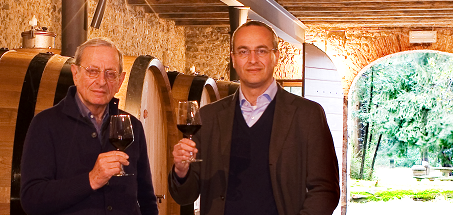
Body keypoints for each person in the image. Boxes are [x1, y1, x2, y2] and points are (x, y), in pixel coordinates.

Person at [168, 21, 340, 215]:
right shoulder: (209, 117)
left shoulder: (307, 115)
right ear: (233, 59)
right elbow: (185, 196)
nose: (252, 60)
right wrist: (181, 172)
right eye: (243, 51)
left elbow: (326, 190)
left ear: (276, 56)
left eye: (261, 51)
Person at [20, 38, 158, 215]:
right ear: (75, 74)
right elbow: (32, 199)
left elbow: (146, 199)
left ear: (120, 80)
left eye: (110, 73)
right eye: (92, 71)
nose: (101, 81)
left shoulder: (132, 126)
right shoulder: (46, 124)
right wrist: (91, 180)